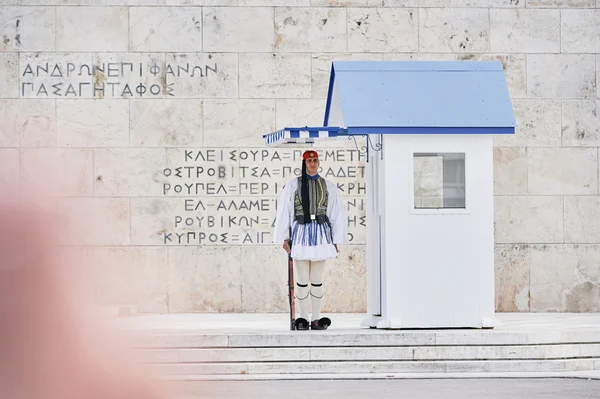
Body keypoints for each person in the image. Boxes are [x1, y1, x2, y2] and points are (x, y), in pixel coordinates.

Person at [274, 149, 346, 330]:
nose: (312, 164)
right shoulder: (293, 185)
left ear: (319, 162)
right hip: (301, 236)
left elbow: (335, 214)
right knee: (302, 278)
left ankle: (315, 317)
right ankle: (303, 318)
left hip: (321, 235)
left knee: (317, 278)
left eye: (315, 160)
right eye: (309, 161)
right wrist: (283, 237)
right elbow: (285, 212)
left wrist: (335, 239)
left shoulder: (328, 186)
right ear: (304, 163)